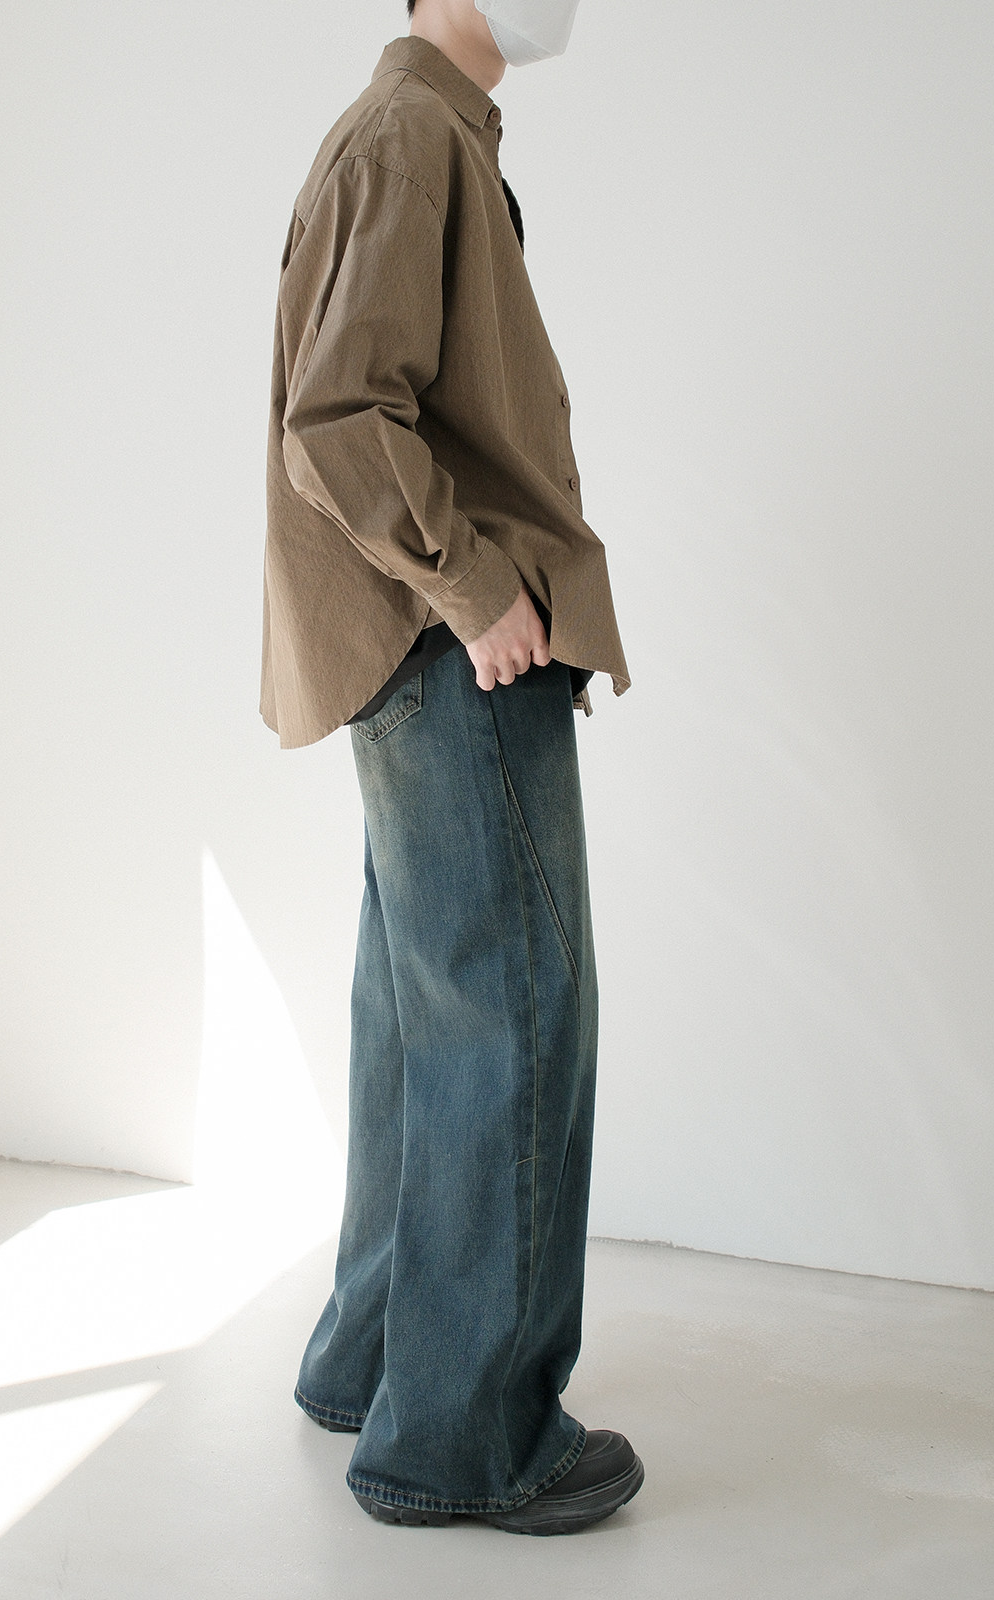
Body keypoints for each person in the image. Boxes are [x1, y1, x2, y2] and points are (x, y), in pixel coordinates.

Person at [259, 0, 639, 1535]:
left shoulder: (419, 130)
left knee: (426, 1020)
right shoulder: (414, 134)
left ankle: (373, 1358)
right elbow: (340, 416)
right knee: (515, 1016)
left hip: (420, 652)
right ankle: (467, 1439)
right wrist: (480, 591)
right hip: (457, 650)